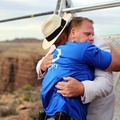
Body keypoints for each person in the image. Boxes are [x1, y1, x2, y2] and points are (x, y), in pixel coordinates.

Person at [37, 15, 120, 120]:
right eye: (54, 43)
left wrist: (82, 88)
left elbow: (106, 83)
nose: (57, 46)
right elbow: (41, 63)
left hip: (95, 113)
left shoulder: (93, 44)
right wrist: (42, 65)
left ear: (69, 32)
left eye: (59, 41)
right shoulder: (59, 44)